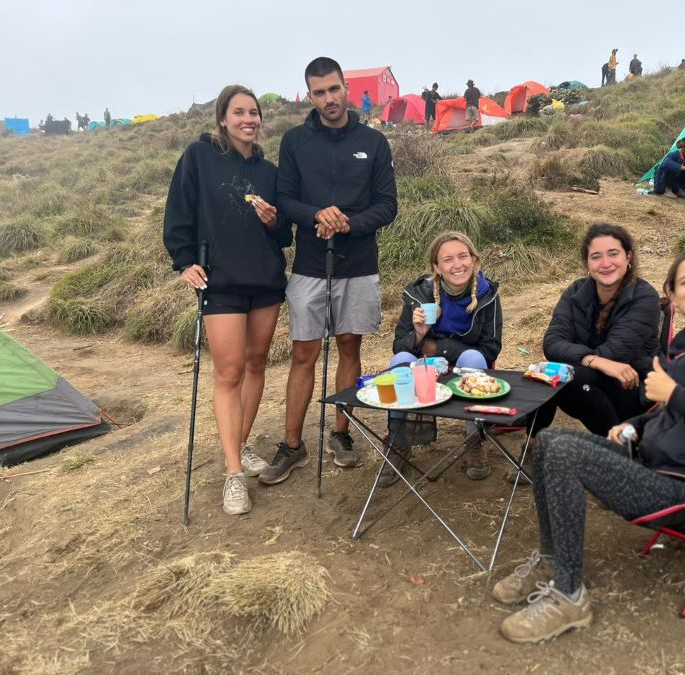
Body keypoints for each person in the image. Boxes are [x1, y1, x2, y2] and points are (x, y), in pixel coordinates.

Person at [492, 248, 685, 644]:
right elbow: (670, 413)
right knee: (547, 440)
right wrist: (634, 424)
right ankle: (551, 560)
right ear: (674, 297)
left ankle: (569, 595)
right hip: (651, 462)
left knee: (563, 451)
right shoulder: (683, 343)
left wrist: (675, 393)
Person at [163, 84, 292, 515]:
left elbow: (284, 236)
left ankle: (237, 444)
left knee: (257, 363)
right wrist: (184, 261)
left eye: (253, 113)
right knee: (229, 372)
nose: (248, 120)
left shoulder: (271, 172)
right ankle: (235, 474)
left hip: (266, 279)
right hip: (221, 282)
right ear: (223, 118)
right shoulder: (198, 158)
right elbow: (178, 212)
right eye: (239, 113)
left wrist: (275, 222)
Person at [272, 57, 397, 481]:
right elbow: (285, 198)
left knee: (349, 347)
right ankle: (291, 444)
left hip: (358, 263)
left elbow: (387, 205)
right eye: (319, 92)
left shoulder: (373, 142)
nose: (329, 98)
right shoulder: (294, 142)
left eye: (334, 89)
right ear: (310, 95)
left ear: (347, 89)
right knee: (304, 352)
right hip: (309, 264)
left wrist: (349, 222)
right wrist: (316, 215)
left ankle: (341, 432)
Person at [519, 224, 659, 472]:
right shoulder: (576, 293)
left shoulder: (644, 297)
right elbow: (552, 342)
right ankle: (532, 445)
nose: (606, 263)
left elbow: (615, 354)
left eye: (613, 253)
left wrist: (585, 359)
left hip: (631, 388)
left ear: (629, 257)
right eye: (596, 256)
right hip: (587, 383)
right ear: (587, 264)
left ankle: (621, 455)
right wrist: (593, 361)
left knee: (564, 375)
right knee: (546, 371)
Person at [379, 231, 502, 486]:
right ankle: (400, 442)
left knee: (473, 358)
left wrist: (436, 347)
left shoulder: (488, 294)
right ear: (436, 266)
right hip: (427, 367)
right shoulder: (419, 294)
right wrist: (420, 334)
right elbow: (399, 346)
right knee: (400, 359)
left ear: (474, 260)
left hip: (468, 365)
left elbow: (490, 349)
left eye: (463, 256)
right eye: (448, 260)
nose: (458, 265)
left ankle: (474, 440)